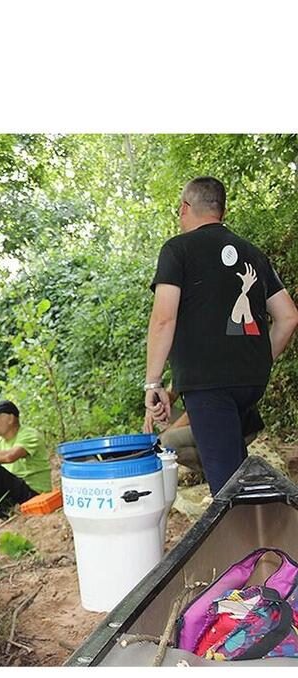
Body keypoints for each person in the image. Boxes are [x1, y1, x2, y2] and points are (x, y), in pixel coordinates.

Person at [145, 176, 298, 495]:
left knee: (228, 490)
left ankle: (250, 539)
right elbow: (288, 317)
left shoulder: (178, 250)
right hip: (249, 385)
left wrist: (152, 382)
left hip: (210, 388)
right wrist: (256, 360)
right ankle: (259, 531)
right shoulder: (253, 254)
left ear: (185, 208)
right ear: (221, 212)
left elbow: (163, 319)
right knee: (237, 470)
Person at [144, 385, 263, 476]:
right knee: (163, 412)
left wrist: (162, 436)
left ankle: (214, 468)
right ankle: (202, 462)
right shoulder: (185, 363)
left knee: (167, 442)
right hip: (208, 419)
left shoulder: (201, 368)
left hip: (237, 428)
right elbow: (173, 391)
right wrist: (155, 406)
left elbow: (192, 414)